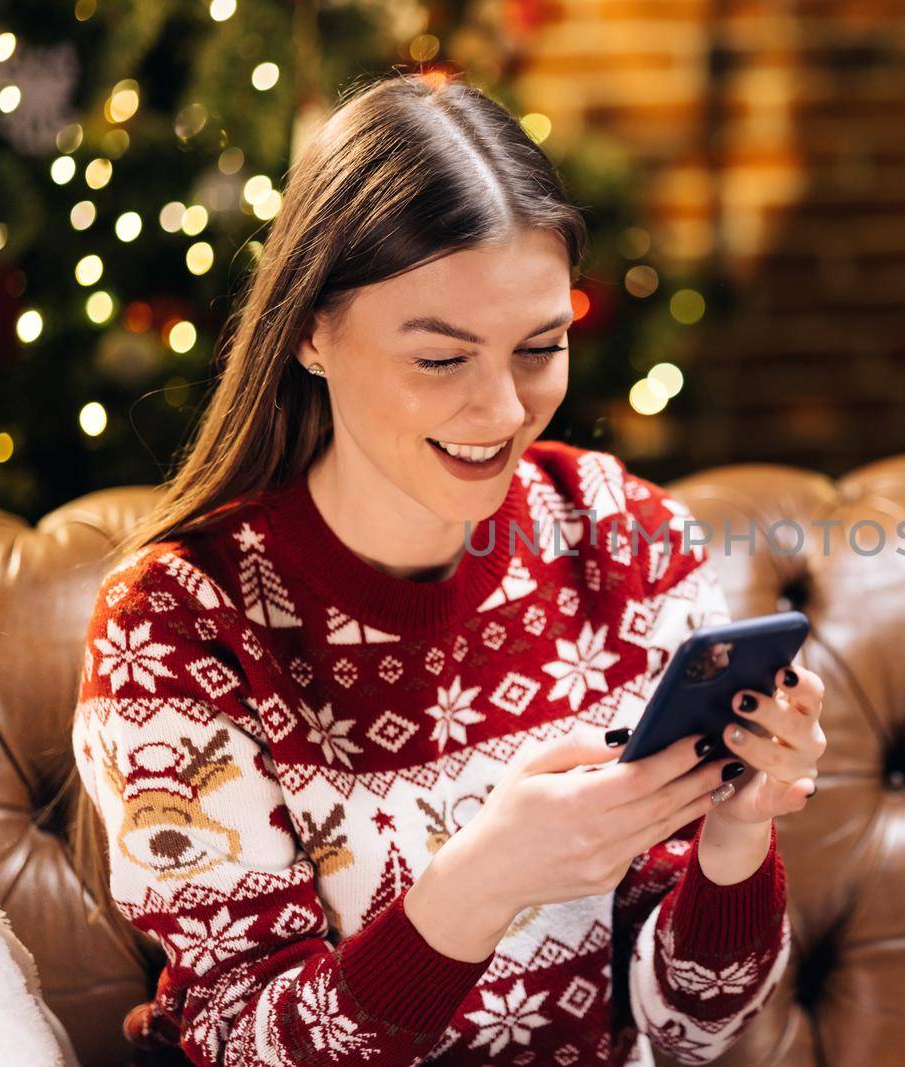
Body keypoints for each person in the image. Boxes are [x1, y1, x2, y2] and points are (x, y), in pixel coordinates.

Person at [67, 70, 828, 1067]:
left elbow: (686, 1031)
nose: (505, 410)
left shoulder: (622, 534)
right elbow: (240, 1045)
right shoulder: (179, 625)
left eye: (539, 347)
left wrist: (737, 836)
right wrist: (481, 882)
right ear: (309, 331)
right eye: (441, 358)